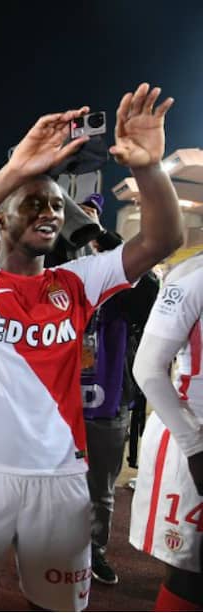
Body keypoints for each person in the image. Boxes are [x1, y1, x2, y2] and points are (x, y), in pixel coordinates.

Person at [0, 82, 182, 611]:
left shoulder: (78, 281)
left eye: (56, 206)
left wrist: (149, 169)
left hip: (60, 476)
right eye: (33, 204)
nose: (49, 212)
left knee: (57, 607)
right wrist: (15, 171)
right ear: (1, 218)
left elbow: (162, 241)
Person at [75, 194, 158, 586]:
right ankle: (54, 546)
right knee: (54, 482)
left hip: (108, 402)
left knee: (101, 490)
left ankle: (95, 549)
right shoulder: (64, 275)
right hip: (60, 404)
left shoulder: (125, 286)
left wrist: (103, 237)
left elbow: (150, 284)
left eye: (89, 219)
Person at [130, 252, 203, 611]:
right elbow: (147, 368)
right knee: (191, 574)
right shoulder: (192, 276)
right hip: (194, 436)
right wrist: (196, 448)